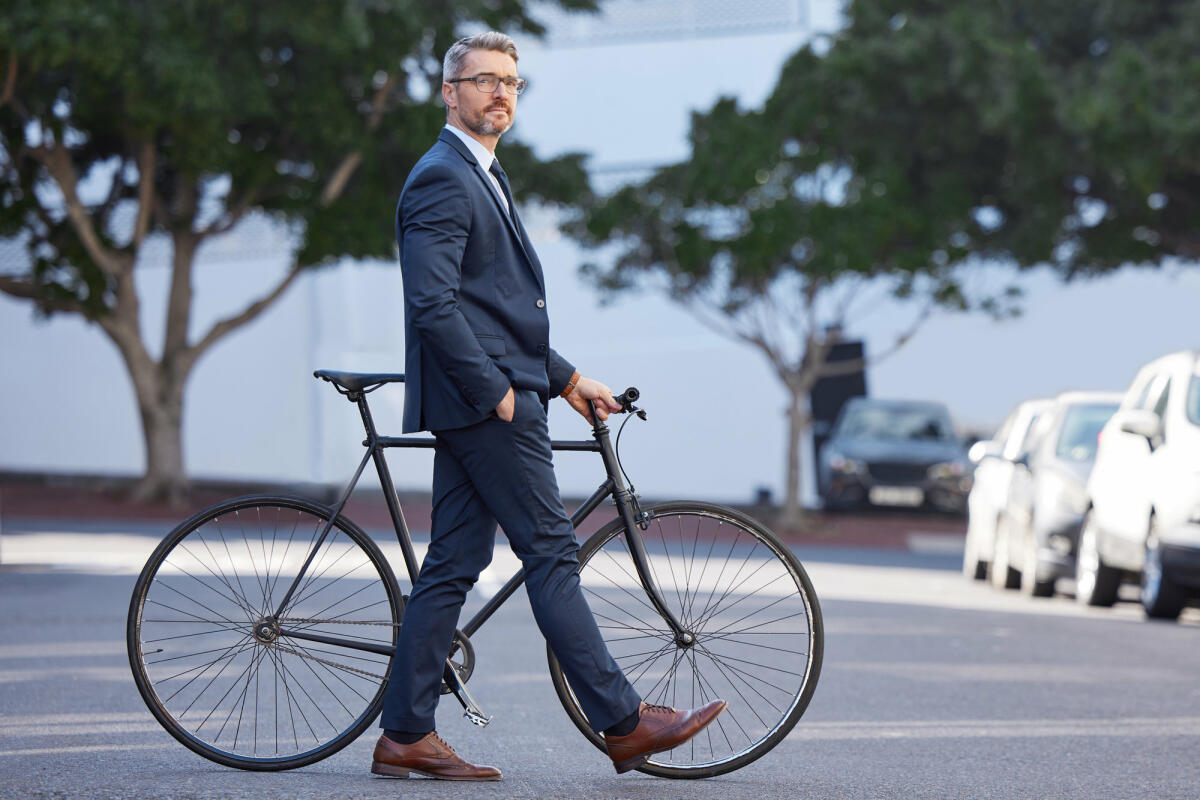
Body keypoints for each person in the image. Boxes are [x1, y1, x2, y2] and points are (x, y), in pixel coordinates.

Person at [371, 31, 725, 782]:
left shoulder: (479, 172)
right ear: (449, 91)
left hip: (496, 394)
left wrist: (564, 377)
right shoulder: (443, 176)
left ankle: (404, 733)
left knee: (455, 561)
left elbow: (492, 306)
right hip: (487, 404)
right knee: (552, 553)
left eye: (512, 83)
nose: (501, 93)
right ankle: (625, 722)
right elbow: (433, 306)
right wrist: (497, 391)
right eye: (484, 81)